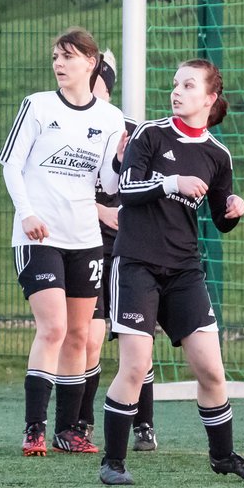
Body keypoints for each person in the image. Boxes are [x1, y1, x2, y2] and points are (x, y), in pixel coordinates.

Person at [98, 59, 244, 485]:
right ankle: (113, 462)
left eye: (188, 85)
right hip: (136, 264)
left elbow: (220, 215)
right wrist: (172, 182)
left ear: (209, 99)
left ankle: (224, 457)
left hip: (185, 271)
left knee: (212, 371)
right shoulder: (150, 135)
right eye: (175, 84)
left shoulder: (218, 155)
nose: (177, 91)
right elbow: (127, 191)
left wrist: (233, 211)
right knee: (135, 367)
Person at [0, 27, 126, 455]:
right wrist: (27, 213)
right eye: (55, 55)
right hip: (39, 237)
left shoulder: (110, 118)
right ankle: (34, 428)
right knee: (52, 328)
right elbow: (12, 167)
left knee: (78, 335)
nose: (59, 62)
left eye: (68, 56)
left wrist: (122, 160)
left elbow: (105, 181)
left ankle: (69, 431)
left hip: (85, 239)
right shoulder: (37, 106)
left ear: (91, 63)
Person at [84, 52, 160, 452]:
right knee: (88, 338)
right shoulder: (67, 127)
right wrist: (97, 209)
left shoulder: (134, 132)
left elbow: (146, 190)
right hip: (81, 242)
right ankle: (81, 424)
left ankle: (143, 425)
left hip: (128, 248)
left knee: (136, 339)